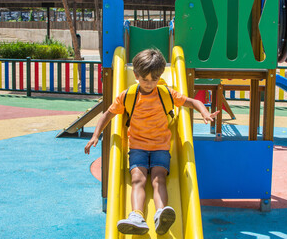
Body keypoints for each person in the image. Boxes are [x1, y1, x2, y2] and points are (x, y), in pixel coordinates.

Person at [84, 49, 219, 235]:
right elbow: (107, 114)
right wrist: (95, 135)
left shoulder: (166, 94)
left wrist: (204, 112)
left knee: (158, 179)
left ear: (160, 76)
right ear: (136, 75)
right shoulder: (128, 95)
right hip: (137, 147)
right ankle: (137, 216)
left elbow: (192, 101)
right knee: (137, 179)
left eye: (154, 79)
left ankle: (161, 214)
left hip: (160, 147)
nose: (149, 84)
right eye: (145, 79)